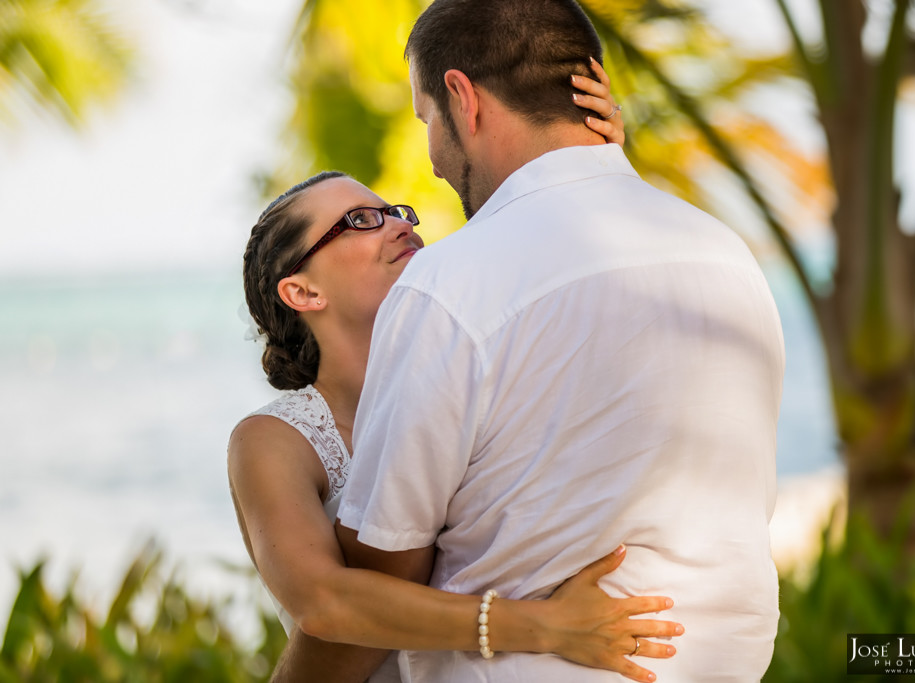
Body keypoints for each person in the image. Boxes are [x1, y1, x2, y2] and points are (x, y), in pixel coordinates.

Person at [334, 1, 786, 681]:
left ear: (463, 97)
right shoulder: (726, 255)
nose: (432, 160)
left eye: (428, 120)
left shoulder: (452, 284)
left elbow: (383, 562)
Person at [229, 69, 683, 683]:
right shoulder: (273, 440)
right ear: (301, 290)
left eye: (394, 211)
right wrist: (544, 626)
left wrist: (589, 162)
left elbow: (550, 264)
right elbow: (325, 603)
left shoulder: (464, 369)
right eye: (360, 222)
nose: (399, 224)